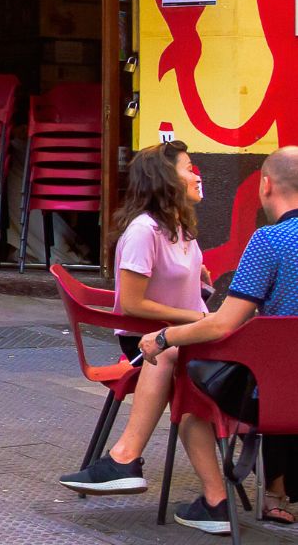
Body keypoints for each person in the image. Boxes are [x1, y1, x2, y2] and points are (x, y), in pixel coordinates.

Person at [138, 146, 298, 534]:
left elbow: (222, 325)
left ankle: (217, 500)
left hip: (276, 397)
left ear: (265, 186)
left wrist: (165, 336)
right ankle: (276, 491)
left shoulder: (269, 241)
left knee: (193, 399)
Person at [57, 141, 209, 494]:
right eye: (189, 169)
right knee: (176, 358)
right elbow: (131, 304)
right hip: (146, 339)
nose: (197, 176)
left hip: (182, 331)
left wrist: (199, 288)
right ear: (165, 179)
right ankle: (126, 459)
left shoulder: (181, 228)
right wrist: (195, 318)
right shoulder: (144, 230)